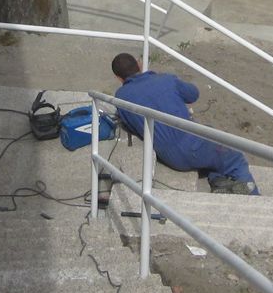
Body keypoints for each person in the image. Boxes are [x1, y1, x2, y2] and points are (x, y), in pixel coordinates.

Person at [111, 52, 259, 195]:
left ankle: (219, 181)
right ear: (139, 64)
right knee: (234, 155)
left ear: (118, 77)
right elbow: (193, 94)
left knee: (210, 139)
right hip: (190, 144)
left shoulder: (121, 97)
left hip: (167, 155)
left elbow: (131, 126)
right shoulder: (166, 80)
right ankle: (253, 195)